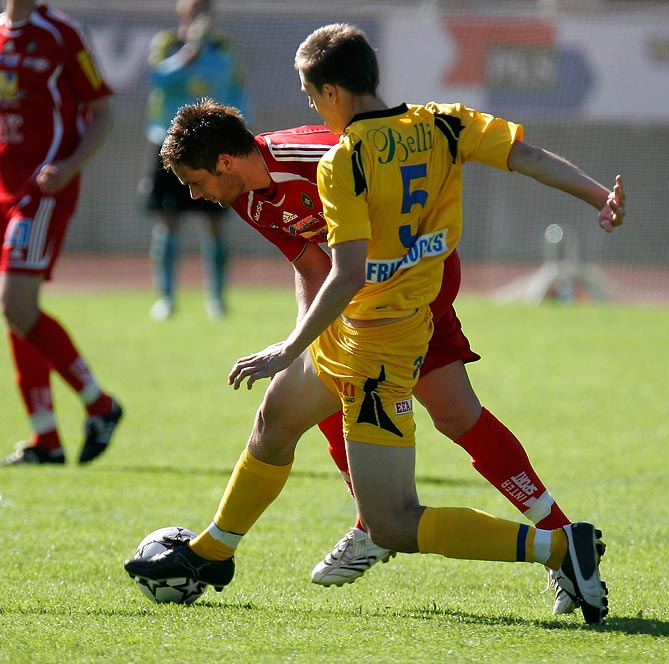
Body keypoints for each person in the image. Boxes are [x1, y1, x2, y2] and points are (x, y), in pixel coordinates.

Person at [126, 23, 625, 625]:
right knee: (278, 417)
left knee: (448, 424)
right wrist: (299, 340)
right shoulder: (426, 128)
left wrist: (291, 346)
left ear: (329, 93)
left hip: (395, 313)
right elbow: (314, 264)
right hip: (357, 312)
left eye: (197, 182)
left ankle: (544, 541)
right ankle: (215, 552)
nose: (198, 195)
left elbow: (345, 269)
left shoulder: (334, 158)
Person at [0, 0, 122, 465]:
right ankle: (45, 439)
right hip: (3, 189)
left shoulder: (61, 34)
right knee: (16, 312)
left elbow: (103, 111)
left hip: (41, 191)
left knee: (16, 305)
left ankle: (100, 404)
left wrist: (69, 167)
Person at [141, 0, 250, 320]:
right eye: (195, 10)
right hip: (167, 143)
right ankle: (166, 297)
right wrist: (189, 51)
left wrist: (240, 134)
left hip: (211, 148)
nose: (201, 16)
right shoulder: (166, 44)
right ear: (182, 14)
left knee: (215, 220)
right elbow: (158, 79)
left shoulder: (223, 47)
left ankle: (216, 297)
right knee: (168, 220)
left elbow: (234, 88)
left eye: (206, 10)